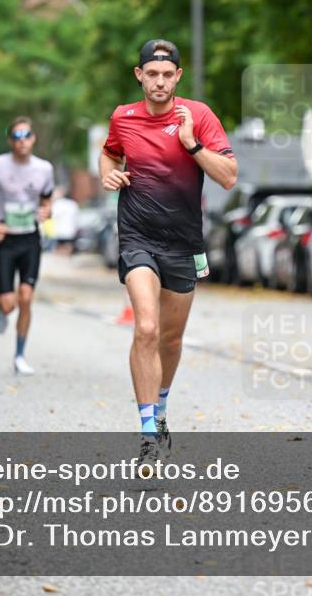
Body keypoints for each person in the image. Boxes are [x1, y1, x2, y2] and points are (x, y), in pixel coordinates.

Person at [99, 39, 236, 472]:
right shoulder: (123, 117)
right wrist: (110, 174)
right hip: (137, 236)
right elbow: (109, 152)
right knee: (147, 327)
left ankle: (159, 413)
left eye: (167, 74)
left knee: (170, 340)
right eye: (151, 74)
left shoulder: (198, 115)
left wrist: (193, 145)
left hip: (183, 242)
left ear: (177, 77)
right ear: (139, 75)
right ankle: (145, 436)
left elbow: (229, 177)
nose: (159, 82)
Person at [0, 117, 55, 376]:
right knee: (10, 304)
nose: (22, 141)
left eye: (26, 135)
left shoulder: (44, 168)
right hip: (4, 239)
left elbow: (47, 199)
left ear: (33, 138)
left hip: (30, 238)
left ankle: (20, 355)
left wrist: (46, 211)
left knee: (26, 297)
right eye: (17, 136)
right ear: (10, 140)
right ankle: (1, 310)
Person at [49, 187, 79, 255]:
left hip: (60, 231)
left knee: (59, 250)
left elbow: (52, 215)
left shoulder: (57, 204)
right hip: (70, 231)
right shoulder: (73, 204)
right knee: (68, 249)